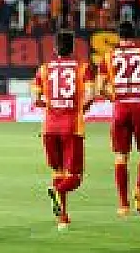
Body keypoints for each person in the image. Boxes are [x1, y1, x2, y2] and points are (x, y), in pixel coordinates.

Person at [98, 21, 140, 216]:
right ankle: (139, 188)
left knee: (120, 157)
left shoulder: (108, 57)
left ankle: (123, 205)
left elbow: (100, 87)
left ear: (118, 37)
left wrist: (114, 98)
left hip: (121, 107)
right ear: (134, 36)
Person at [32, 30, 94, 229]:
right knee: (75, 177)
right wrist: (79, 108)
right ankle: (57, 191)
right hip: (71, 127)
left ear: (55, 47)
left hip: (49, 128)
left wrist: (52, 106)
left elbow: (35, 99)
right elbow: (90, 95)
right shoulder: (83, 68)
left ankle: (62, 218)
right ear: (73, 47)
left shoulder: (44, 69)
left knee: (58, 171)